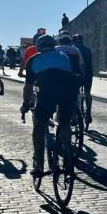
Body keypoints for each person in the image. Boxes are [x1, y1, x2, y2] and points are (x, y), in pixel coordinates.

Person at [21, 34, 78, 177]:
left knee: (39, 127)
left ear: (38, 47)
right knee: (64, 123)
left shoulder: (33, 60)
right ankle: (67, 156)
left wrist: (25, 104)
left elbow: (28, 87)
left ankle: (39, 166)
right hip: (68, 93)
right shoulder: (65, 57)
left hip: (47, 94)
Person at [73, 34, 95, 124]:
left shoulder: (73, 49)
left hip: (77, 75)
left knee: (75, 94)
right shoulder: (87, 49)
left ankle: (74, 115)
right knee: (87, 93)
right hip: (88, 75)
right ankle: (89, 113)